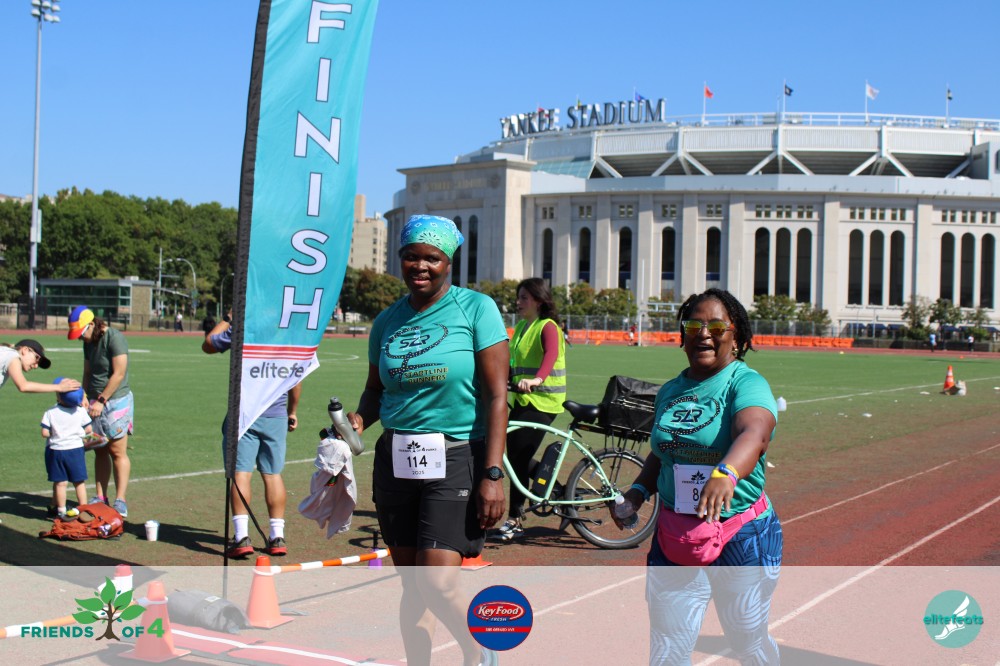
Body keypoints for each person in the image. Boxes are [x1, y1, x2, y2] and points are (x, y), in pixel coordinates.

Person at [346, 215, 508, 666]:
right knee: (412, 584)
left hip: (456, 456)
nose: (420, 266)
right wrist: (358, 420)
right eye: (411, 256)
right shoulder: (387, 321)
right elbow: (375, 391)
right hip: (395, 460)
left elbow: (498, 396)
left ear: (448, 262)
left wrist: (493, 474)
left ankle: (480, 653)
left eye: (431, 258)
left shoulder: (476, 309)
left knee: (436, 583)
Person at [618, 288, 781, 665]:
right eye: (693, 326)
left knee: (747, 643)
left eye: (717, 327)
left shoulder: (745, 383)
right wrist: (638, 491)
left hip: (740, 535)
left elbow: (754, 433)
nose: (704, 334)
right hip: (676, 534)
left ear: (736, 337)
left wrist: (727, 471)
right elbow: (665, 451)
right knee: (668, 648)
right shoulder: (671, 390)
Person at [203, 312, 301, 557]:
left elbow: (208, 344)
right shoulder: (286, 336)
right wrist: (292, 411)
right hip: (276, 414)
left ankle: (241, 537)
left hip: (244, 414)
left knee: (241, 474)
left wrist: (229, 318)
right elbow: (296, 379)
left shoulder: (243, 330)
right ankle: (277, 537)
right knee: (273, 474)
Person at [494, 277, 566, 543]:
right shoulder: (524, 326)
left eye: (524, 297)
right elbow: (513, 362)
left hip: (543, 400)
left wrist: (537, 379)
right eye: (519, 297)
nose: (519, 302)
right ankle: (557, 490)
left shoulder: (548, 326)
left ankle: (515, 518)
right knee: (515, 457)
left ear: (538, 300)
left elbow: (550, 355)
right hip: (524, 400)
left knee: (518, 457)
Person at [68, 306, 134, 518]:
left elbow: (119, 373)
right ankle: (100, 496)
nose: (81, 338)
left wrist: (102, 401)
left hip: (116, 401)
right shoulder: (88, 342)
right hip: (94, 402)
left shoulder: (114, 338)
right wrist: (84, 395)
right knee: (99, 449)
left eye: (81, 333)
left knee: (117, 451)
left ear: (92, 324)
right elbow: (87, 372)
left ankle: (120, 500)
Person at [41, 378, 92, 519]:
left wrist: (55, 433)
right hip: (75, 450)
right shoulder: (80, 411)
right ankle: (84, 509)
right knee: (79, 482)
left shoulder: (51, 411)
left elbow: (44, 433)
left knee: (60, 483)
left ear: (59, 396)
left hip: (56, 450)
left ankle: (61, 511)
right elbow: (88, 429)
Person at [1, 339, 79, 397]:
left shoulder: (6, 352)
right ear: (25, 350)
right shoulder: (13, 357)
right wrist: (59, 387)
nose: (36, 366)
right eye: (37, 358)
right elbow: (23, 386)